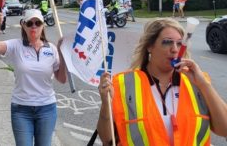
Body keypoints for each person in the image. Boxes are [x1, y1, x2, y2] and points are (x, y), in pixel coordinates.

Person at [97, 18, 227, 145]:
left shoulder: (198, 82)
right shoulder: (123, 83)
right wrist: (105, 104)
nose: (175, 49)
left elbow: (224, 129)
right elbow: (107, 139)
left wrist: (204, 84)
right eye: (167, 42)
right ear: (149, 46)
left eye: (179, 43)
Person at [0, 9, 68, 146]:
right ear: (24, 25)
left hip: (46, 108)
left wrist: (62, 54)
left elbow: (62, 79)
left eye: (38, 23)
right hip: (21, 109)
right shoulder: (16, 46)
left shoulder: (52, 49)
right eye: (30, 23)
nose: (34, 26)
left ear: (43, 25)